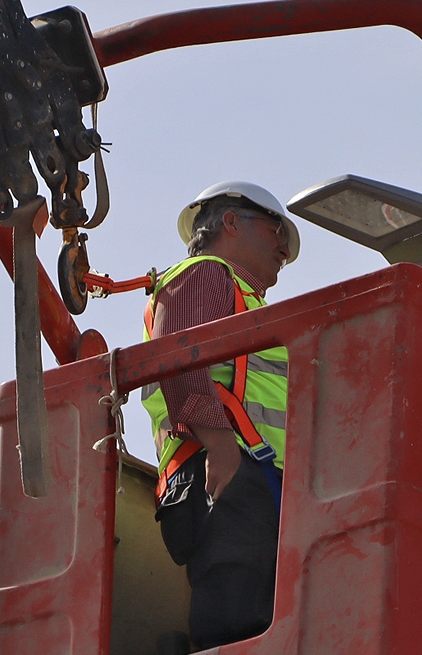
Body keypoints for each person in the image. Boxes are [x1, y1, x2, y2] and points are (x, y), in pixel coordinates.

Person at [140, 181, 300, 653]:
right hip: (228, 468)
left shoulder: (250, 306)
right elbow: (179, 359)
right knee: (237, 616)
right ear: (230, 221)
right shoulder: (206, 273)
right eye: (277, 232)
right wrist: (222, 449)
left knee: (262, 618)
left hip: (258, 475)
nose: (284, 250)